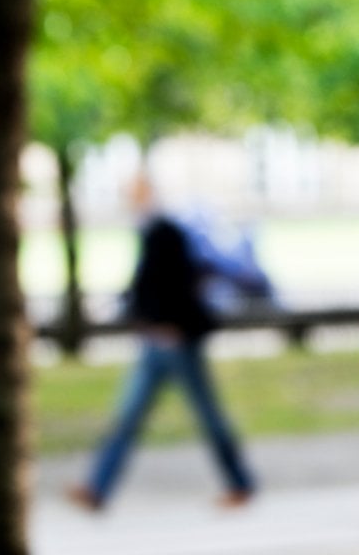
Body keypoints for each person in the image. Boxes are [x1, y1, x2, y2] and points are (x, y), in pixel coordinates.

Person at [69, 196, 267, 511]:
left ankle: (241, 482)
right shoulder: (155, 235)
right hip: (155, 343)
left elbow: (173, 284)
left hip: (177, 344)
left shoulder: (166, 234)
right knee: (128, 418)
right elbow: (147, 287)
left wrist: (171, 325)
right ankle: (97, 488)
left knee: (204, 416)